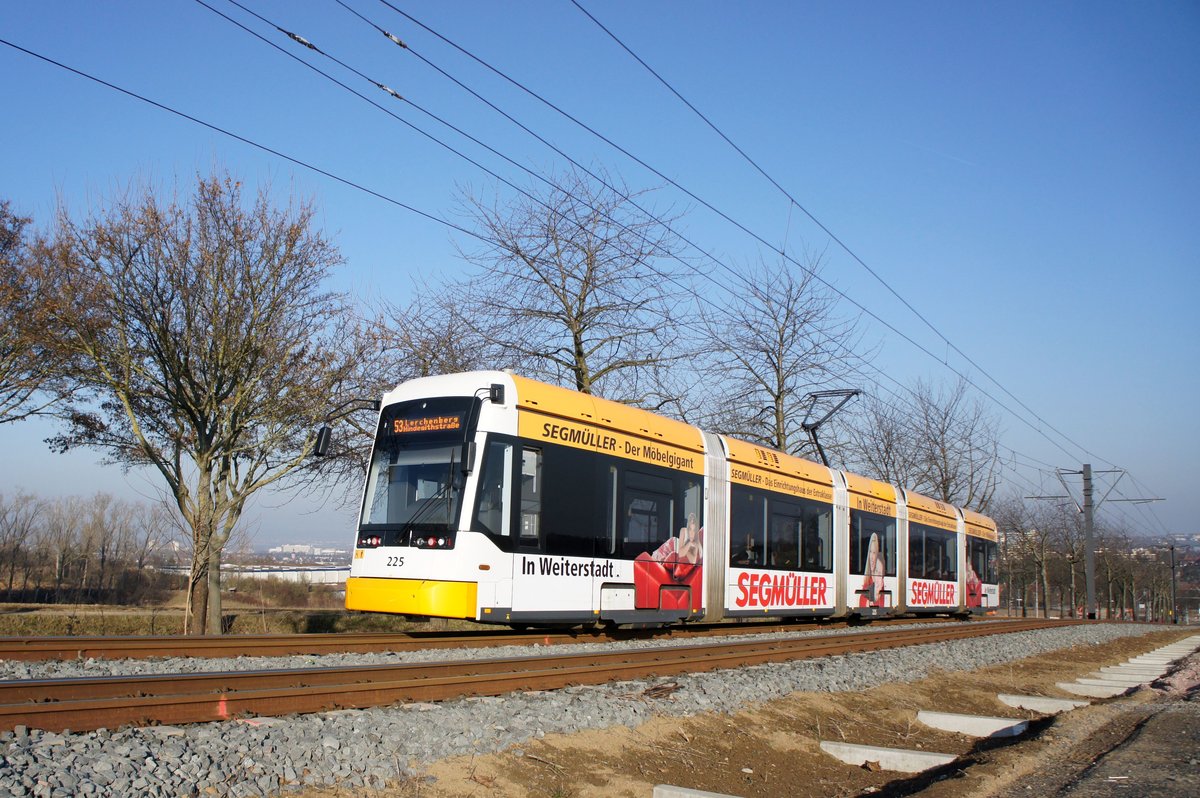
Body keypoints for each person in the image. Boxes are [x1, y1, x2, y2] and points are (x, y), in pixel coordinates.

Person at [858, 532, 886, 608]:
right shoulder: (866, 586)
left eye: (874, 552)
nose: (872, 557)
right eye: (870, 552)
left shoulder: (882, 595)